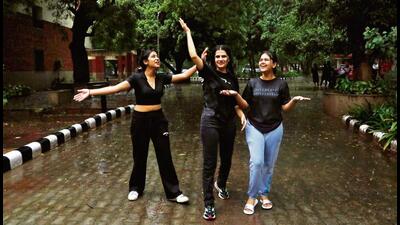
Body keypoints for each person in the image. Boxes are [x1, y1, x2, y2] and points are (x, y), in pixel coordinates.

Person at [73, 49, 199, 204]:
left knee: (165, 156)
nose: (157, 58)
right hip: (140, 120)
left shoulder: (162, 77)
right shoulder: (136, 78)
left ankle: (174, 192)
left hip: (159, 121)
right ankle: (135, 188)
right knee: (139, 156)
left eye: (157, 56)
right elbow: (115, 88)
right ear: (145, 61)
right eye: (153, 56)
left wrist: (200, 63)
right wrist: (91, 92)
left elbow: (185, 76)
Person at [220, 50, 310, 215]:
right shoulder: (253, 83)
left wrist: (294, 101)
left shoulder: (281, 84)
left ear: (274, 64)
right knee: (257, 162)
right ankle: (252, 197)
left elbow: (285, 108)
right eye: (260, 59)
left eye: (266, 60)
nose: (262, 62)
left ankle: (264, 193)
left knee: (269, 164)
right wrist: (237, 102)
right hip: (254, 127)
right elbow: (243, 105)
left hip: (275, 128)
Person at [179, 18, 246, 221]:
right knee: (210, 162)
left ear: (229, 58)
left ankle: (221, 184)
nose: (220, 59)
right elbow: (192, 55)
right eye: (217, 56)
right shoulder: (208, 73)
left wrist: (242, 115)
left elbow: (235, 103)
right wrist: (188, 32)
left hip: (228, 122)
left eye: (223, 56)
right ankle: (209, 204)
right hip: (210, 120)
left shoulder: (233, 77)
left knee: (226, 160)